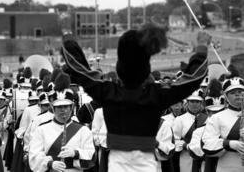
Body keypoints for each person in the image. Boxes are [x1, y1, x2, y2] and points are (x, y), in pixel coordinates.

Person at [61, 24, 210, 172]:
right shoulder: (156, 94)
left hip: (116, 165)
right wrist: (201, 49)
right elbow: (191, 79)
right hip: (147, 165)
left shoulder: (108, 92)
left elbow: (80, 70)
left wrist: (69, 41)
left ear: (120, 68)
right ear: (146, 69)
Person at [29, 73, 96, 172]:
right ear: (53, 108)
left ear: (71, 107)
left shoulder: (83, 130)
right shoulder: (41, 129)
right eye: (59, 107)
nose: (63, 110)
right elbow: (33, 157)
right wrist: (50, 163)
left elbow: (92, 157)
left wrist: (76, 153)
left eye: (66, 106)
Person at [202, 77, 244, 172]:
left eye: (240, 91)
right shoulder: (217, 117)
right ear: (225, 96)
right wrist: (229, 143)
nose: (238, 95)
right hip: (227, 166)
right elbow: (207, 143)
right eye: (232, 93)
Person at [173, 89, 208, 172]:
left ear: (201, 103)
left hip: (204, 157)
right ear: (187, 102)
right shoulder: (180, 119)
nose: (194, 104)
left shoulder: (208, 119)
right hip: (186, 157)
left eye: (197, 102)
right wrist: (185, 146)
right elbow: (174, 139)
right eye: (192, 101)